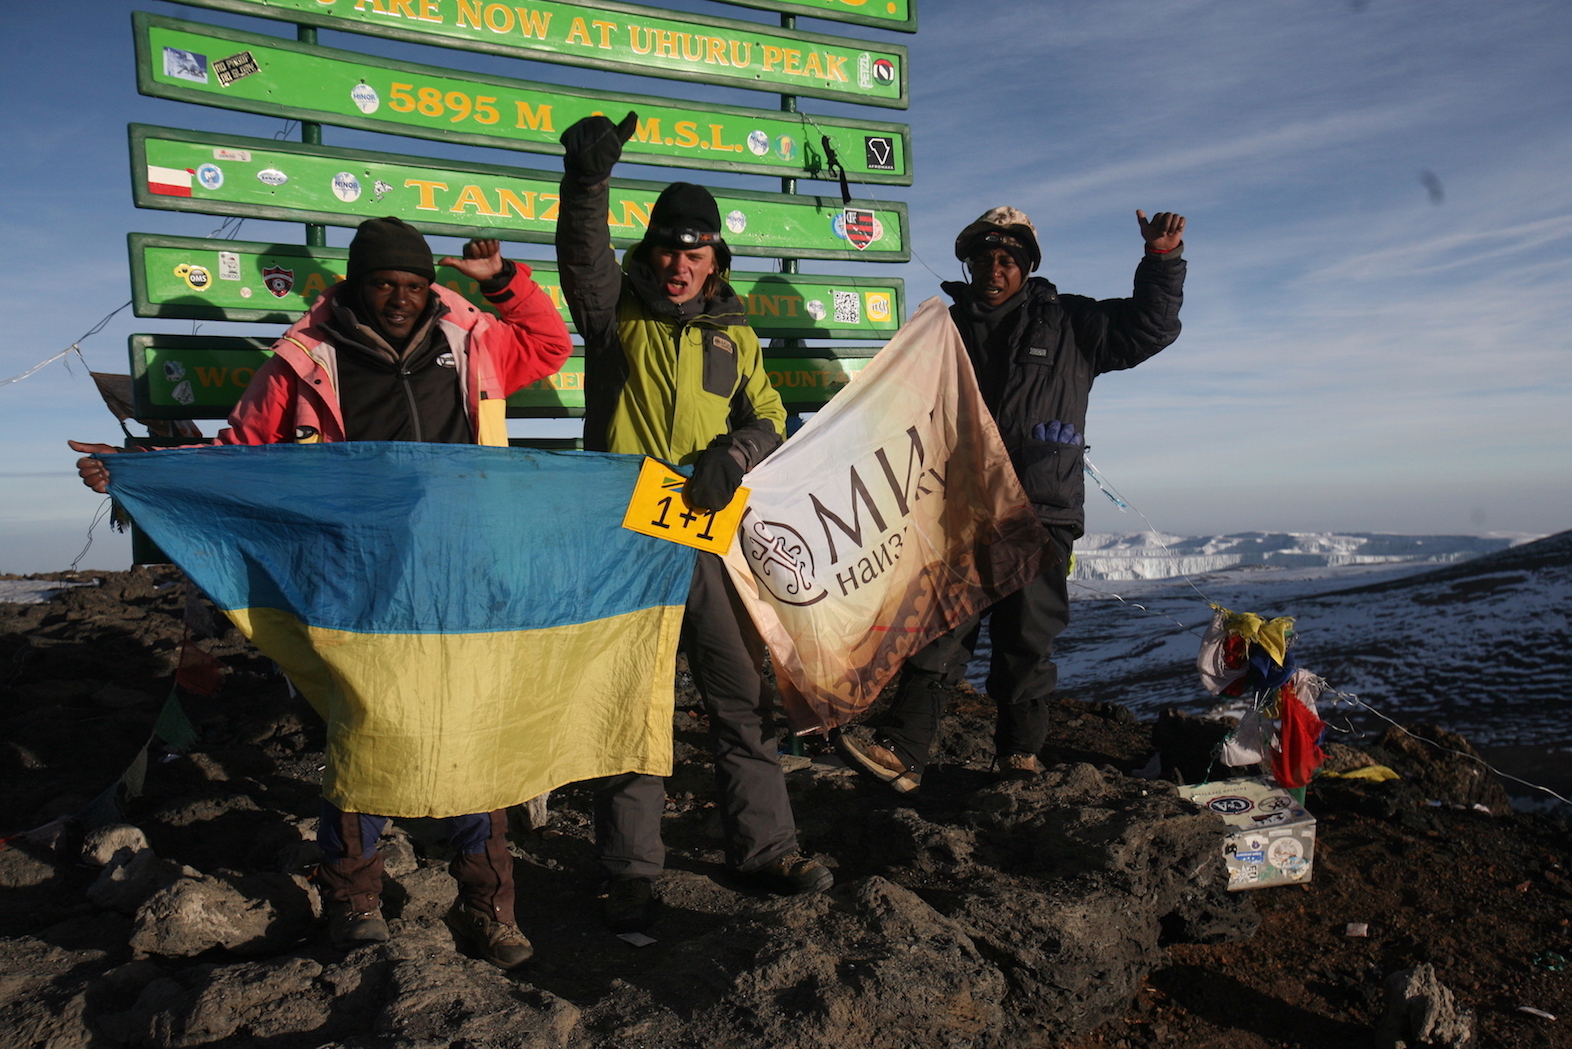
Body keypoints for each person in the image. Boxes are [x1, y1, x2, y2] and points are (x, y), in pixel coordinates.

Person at [71, 216, 574, 968]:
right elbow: (237, 452)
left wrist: (505, 283)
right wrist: (138, 470)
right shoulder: (305, 360)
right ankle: (353, 901)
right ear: (355, 284)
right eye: (385, 285)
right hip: (354, 578)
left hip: (461, 570)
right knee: (358, 731)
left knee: (477, 737)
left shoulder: (471, 340)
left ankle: (486, 908)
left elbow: (550, 345)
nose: (401, 299)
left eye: (414, 284)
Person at [555, 112, 832, 933]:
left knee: (740, 701)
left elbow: (773, 415)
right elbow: (582, 259)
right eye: (669, 248)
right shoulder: (615, 314)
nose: (680, 263)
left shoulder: (734, 333)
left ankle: (765, 850)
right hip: (628, 538)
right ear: (652, 252)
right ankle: (630, 872)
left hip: (711, 542)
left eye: (696, 250)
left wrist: (736, 454)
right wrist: (587, 184)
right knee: (635, 706)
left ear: (717, 258)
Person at [834, 205, 1187, 793]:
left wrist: (1161, 260)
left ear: (1026, 266)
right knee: (934, 629)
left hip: (1040, 508)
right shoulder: (939, 332)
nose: (994, 270)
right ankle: (903, 752)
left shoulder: (1072, 321)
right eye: (983, 258)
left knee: (1027, 638)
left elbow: (1151, 328)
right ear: (969, 264)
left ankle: (1019, 758)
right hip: (954, 507)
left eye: (1008, 259)